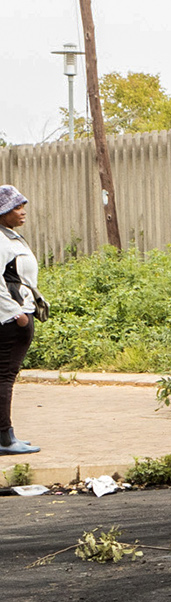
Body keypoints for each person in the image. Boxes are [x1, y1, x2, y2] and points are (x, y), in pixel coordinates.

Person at [0, 186, 43, 454]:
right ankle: (5, 439)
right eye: (16, 207)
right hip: (10, 320)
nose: (23, 211)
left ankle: (5, 435)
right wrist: (15, 314)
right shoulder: (1, 241)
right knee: (4, 377)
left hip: (17, 314)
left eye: (23, 206)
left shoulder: (9, 236)